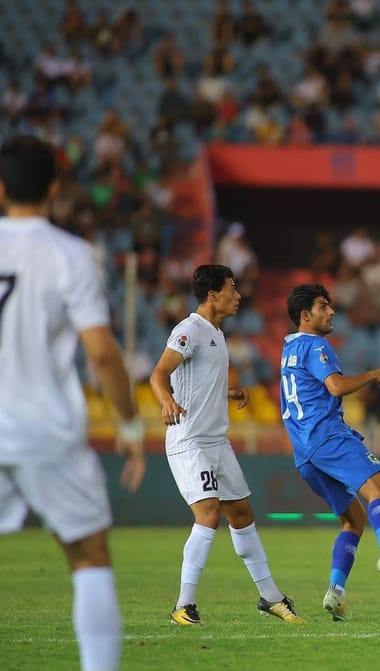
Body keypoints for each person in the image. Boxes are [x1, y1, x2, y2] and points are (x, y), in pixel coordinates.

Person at [0, 135, 146, 671]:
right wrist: (129, 426)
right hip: (46, 430)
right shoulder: (71, 254)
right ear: (54, 188)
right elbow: (103, 356)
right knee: (88, 557)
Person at [149, 265, 304, 625]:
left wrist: (227, 390)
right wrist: (165, 401)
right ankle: (182, 606)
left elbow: (199, 381)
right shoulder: (190, 330)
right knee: (208, 515)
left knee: (242, 515)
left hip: (217, 441)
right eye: (231, 289)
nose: (238, 295)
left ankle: (271, 598)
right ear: (212, 294)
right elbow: (158, 373)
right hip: (191, 441)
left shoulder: (216, 333)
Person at [280, 284, 380, 622]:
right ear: (305, 316)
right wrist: (373, 375)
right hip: (328, 436)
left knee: (354, 519)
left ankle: (336, 592)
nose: (331, 311)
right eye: (322, 306)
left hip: (304, 453)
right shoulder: (316, 345)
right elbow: (335, 386)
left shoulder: (288, 349)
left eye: (330, 305)